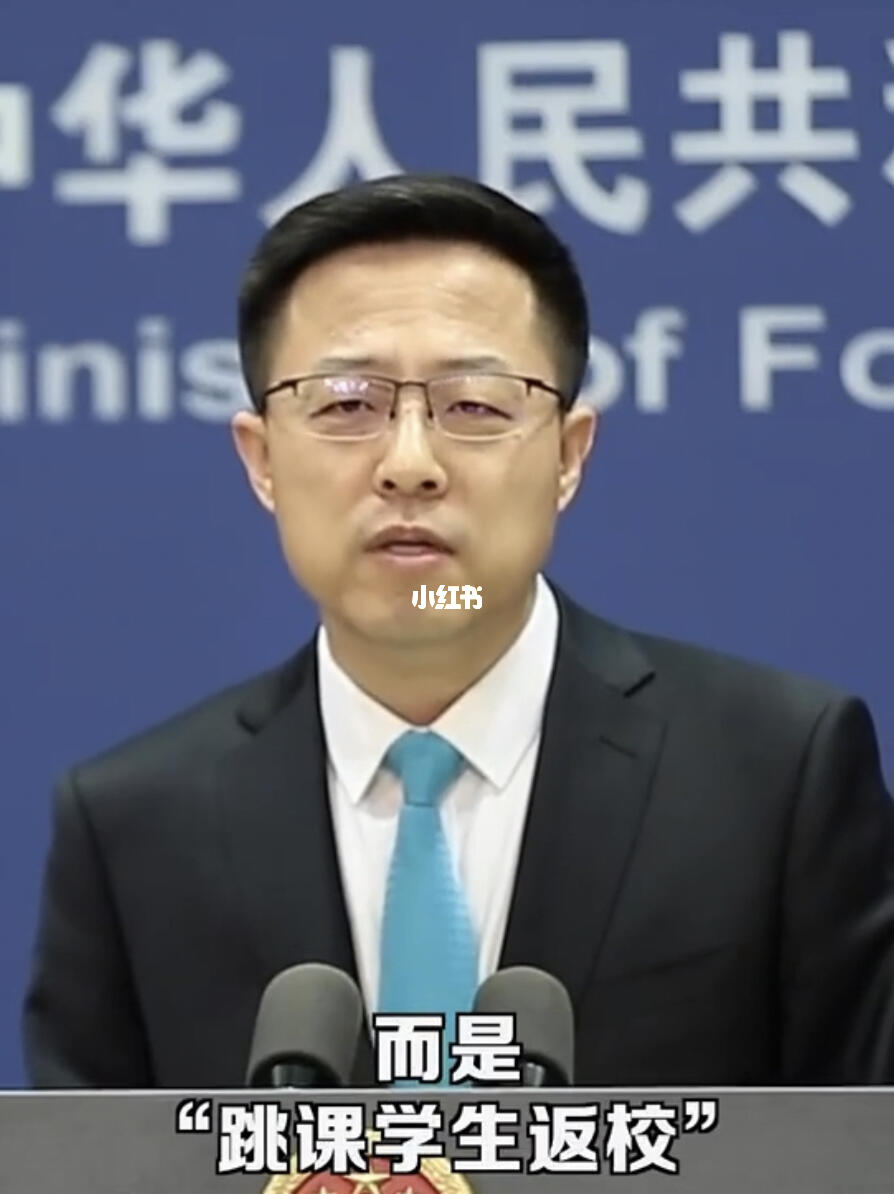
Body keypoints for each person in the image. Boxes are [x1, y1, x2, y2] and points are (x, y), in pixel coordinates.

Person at [23, 174, 894, 1088]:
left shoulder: (776, 777)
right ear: (261, 458)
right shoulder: (134, 828)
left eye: (475, 405)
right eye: (347, 404)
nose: (409, 464)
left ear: (568, 454)